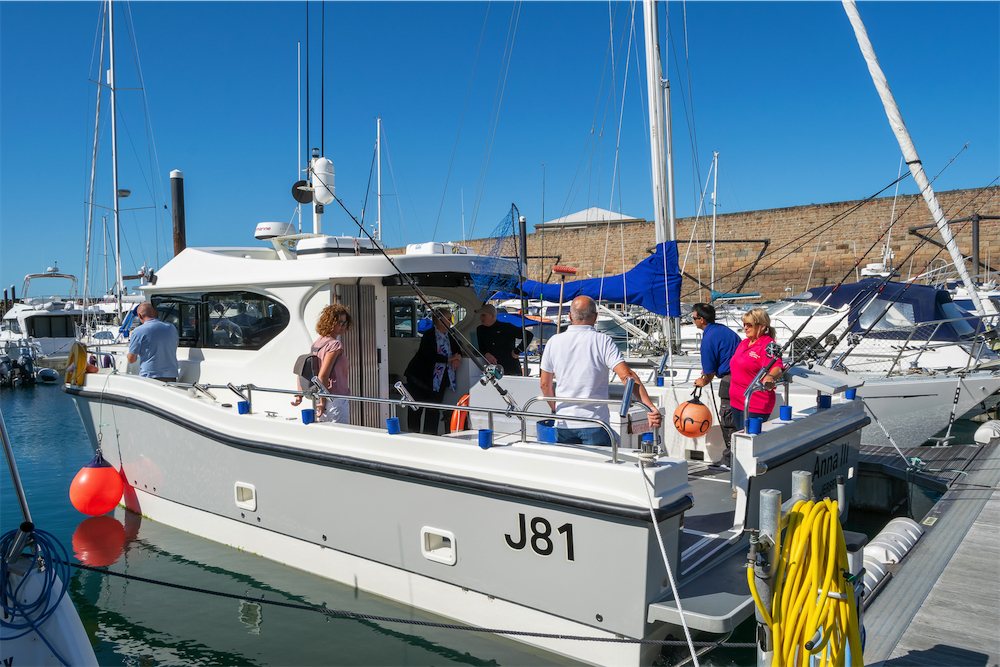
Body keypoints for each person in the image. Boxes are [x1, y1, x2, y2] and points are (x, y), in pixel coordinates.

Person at [539, 295, 662, 446]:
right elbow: (627, 376)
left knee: (572, 467)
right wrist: (650, 407)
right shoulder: (603, 341)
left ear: (570, 316)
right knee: (599, 467)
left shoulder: (553, 342)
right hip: (595, 423)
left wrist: (556, 409)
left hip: (564, 423)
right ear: (595, 317)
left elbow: (545, 385)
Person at [692, 303, 741, 468]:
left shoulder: (707, 338)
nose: (693, 321)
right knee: (739, 419)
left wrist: (702, 381)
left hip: (731, 380)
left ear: (702, 319)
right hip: (743, 379)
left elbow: (709, 373)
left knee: (729, 421)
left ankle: (731, 460)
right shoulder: (724, 330)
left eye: (694, 318)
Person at [404, 307, 462, 434]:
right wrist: (450, 358)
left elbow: (458, 348)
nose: (450, 322)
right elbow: (429, 355)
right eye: (448, 319)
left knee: (433, 410)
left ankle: (430, 437)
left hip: (439, 381)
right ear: (440, 321)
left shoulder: (451, 334)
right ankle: (413, 436)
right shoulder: (429, 335)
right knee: (416, 408)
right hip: (420, 378)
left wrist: (457, 358)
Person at [292, 304, 352, 423]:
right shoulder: (335, 345)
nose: (344, 326)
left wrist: (300, 395)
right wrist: (323, 401)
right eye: (340, 323)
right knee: (340, 437)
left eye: (346, 323)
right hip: (334, 399)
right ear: (330, 323)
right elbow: (323, 375)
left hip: (321, 398)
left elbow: (304, 370)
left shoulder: (317, 343)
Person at [729, 307, 784, 432]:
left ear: (762, 326)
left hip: (754, 403)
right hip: (736, 401)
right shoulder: (744, 343)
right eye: (744, 324)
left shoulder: (768, 345)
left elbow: (777, 367)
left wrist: (770, 377)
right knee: (740, 436)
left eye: (749, 325)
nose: (745, 328)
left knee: (750, 439)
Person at [476, 303, 533, 377]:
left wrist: (518, 350)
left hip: (511, 370)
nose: (480, 318)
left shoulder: (506, 327)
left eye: (483, 315)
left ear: (492, 316)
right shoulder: (480, 330)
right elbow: (481, 347)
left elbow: (528, 335)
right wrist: (486, 354)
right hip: (493, 371)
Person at [126, 302, 179, 381]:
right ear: (155, 313)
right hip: (171, 376)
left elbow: (131, 360)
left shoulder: (138, 331)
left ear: (139, 316)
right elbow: (175, 347)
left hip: (150, 376)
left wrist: (128, 354)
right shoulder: (171, 328)